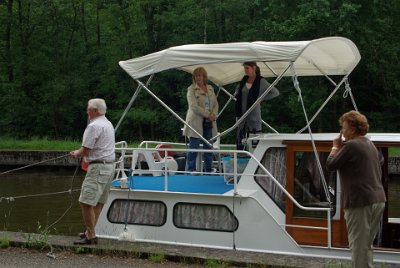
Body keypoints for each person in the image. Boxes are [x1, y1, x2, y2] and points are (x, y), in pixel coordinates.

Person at [326, 110, 386, 268]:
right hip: (378, 200)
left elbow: (331, 165)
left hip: (360, 202)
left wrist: (335, 147)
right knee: (366, 245)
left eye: (344, 128)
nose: (342, 132)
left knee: (358, 246)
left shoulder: (351, 145)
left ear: (353, 128)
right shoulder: (369, 144)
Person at [70, 98, 115, 245]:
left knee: (85, 201)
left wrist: (76, 153)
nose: (87, 111)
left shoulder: (93, 126)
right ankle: (89, 232)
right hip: (109, 167)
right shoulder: (108, 124)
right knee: (97, 203)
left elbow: (85, 150)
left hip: (98, 167)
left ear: (95, 111)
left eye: (88, 108)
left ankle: (91, 236)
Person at [235, 62, 279, 150]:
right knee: (241, 141)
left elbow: (275, 92)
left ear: (254, 68)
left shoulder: (261, 81)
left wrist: (261, 98)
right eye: (244, 68)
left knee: (254, 144)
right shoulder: (243, 80)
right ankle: (241, 159)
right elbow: (237, 91)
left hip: (254, 117)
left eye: (247, 68)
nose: (245, 70)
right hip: (241, 117)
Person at [183, 67, 218, 173]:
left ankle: (208, 169)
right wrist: (208, 114)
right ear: (194, 77)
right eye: (196, 75)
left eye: (200, 75)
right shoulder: (191, 89)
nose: (198, 77)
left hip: (209, 122)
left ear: (204, 76)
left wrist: (214, 114)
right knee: (194, 146)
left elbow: (216, 104)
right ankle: (191, 170)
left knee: (208, 146)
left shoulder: (210, 88)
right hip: (195, 122)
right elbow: (193, 106)